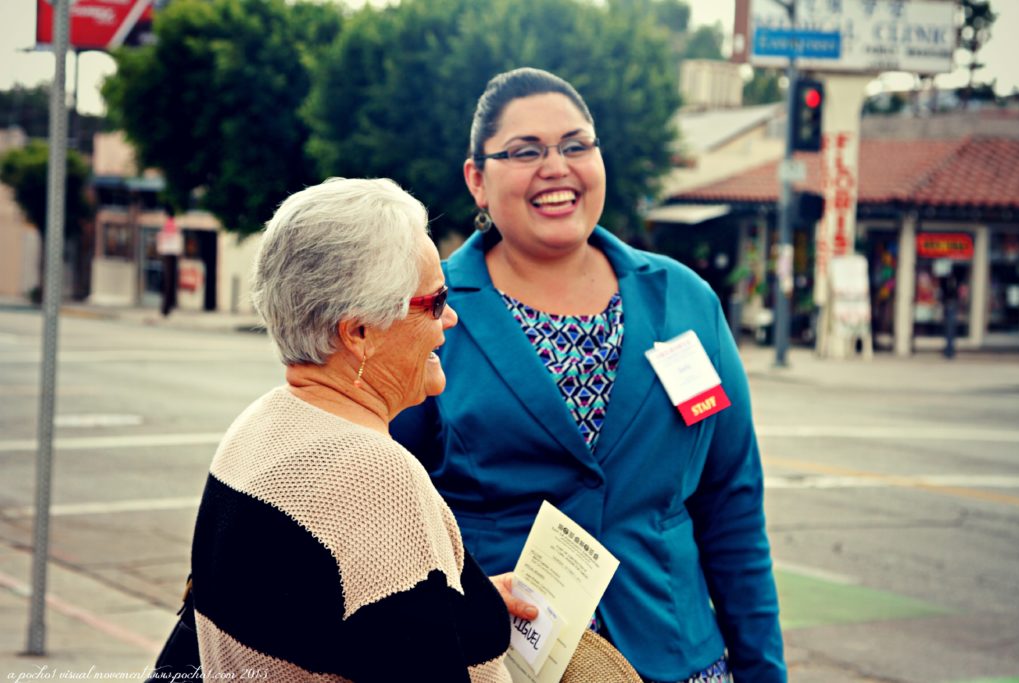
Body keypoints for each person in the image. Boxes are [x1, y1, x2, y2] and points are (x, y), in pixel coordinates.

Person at [392, 68, 787, 683]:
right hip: (498, 661)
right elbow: (384, 506)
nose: (557, 167)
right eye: (526, 151)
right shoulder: (430, 309)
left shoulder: (684, 301)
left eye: (577, 145)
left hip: (677, 658)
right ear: (477, 180)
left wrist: (763, 671)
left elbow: (731, 502)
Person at [186, 178, 518, 682]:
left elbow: (334, 621)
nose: (449, 318)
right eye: (434, 300)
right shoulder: (376, 478)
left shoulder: (257, 426)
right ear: (359, 332)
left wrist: (464, 602)